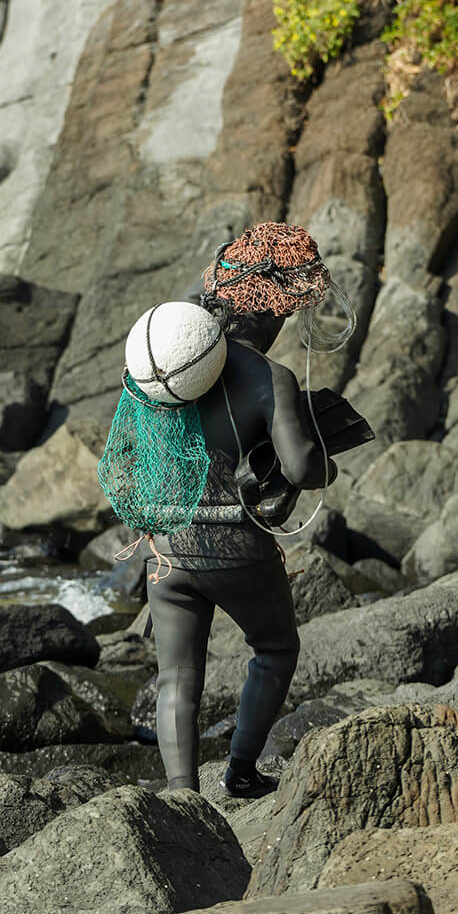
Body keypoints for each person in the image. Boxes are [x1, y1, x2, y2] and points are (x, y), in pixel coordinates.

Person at [147, 221, 351, 797]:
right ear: (263, 313)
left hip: (164, 547)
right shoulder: (270, 376)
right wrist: (326, 465)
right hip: (237, 548)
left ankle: (184, 795)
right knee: (276, 647)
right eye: (282, 314)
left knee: (177, 676)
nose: (284, 325)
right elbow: (299, 469)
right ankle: (239, 772)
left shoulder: (162, 361)